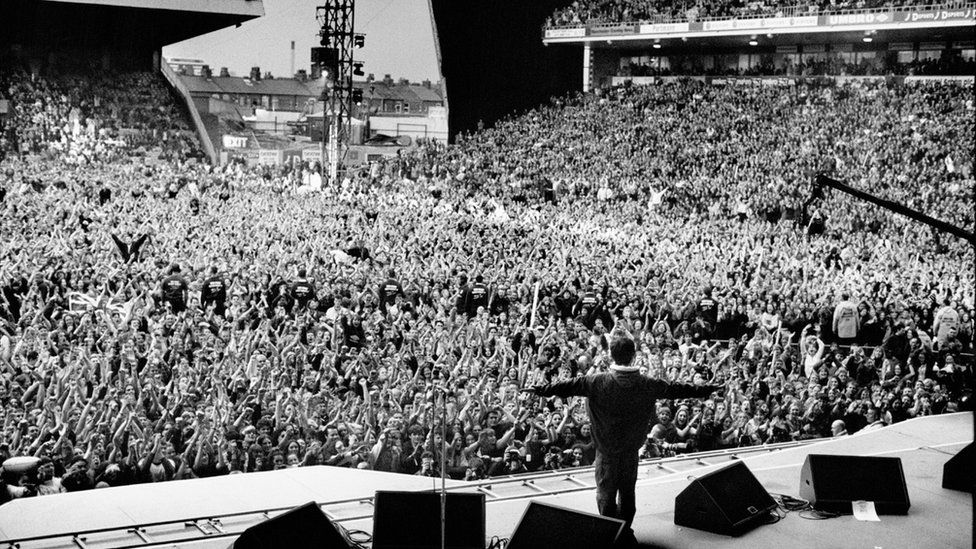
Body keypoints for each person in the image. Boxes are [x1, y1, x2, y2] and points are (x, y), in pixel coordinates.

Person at [523, 329, 719, 541]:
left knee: (605, 495)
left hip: (606, 453)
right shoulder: (647, 383)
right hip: (630, 452)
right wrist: (706, 390)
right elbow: (676, 389)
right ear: (633, 356)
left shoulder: (595, 382)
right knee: (627, 494)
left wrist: (540, 389)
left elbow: (564, 387)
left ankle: (612, 535)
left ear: (610, 355)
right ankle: (624, 532)